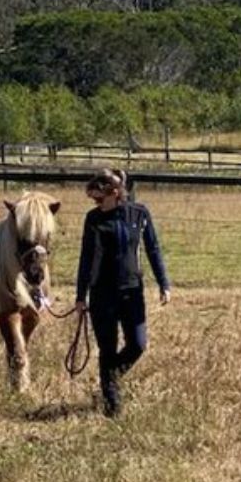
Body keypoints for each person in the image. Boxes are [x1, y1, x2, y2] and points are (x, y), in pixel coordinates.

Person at [75, 167, 171, 417]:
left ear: (116, 193)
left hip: (132, 291)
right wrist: (80, 296)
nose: (96, 203)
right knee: (107, 348)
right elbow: (86, 258)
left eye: (99, 198)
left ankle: (109, 381)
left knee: (138, 345)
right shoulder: (93, 219)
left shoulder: (139, 214)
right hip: (101, 294)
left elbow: (153, 249)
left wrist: (164, 283)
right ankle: (112, 405)